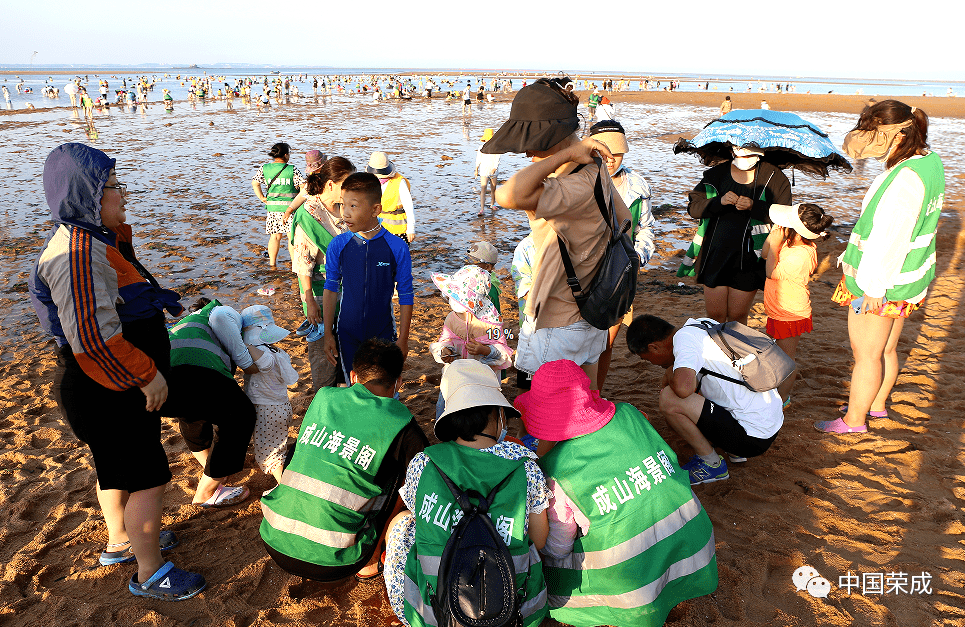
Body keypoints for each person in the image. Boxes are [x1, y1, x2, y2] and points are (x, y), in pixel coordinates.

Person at [29, 143, 205, 600]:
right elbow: (92, 336)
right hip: (107, 385)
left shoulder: (91, 240)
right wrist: (147, 375)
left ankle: (121, 541)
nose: (122, 193)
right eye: (112, 186)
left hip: (99, 385)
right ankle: (150, 572)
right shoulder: (75, 253)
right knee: (149, 475)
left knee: (115, 467)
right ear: (85, 194)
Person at [515, 360, 717, 627]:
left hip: (634, 587)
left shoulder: (556, 472)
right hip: (695, 547)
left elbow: (558, 547)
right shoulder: (630, 414)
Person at [485, 77, 632, 390]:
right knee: (587, 399)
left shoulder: (568, 186)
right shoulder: (594, 169)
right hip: (592, 310)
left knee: (541, 407)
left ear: (554, 136)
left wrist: (565, 155)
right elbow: (625, 219)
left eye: (533, 142)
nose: (527, 153)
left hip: (557, 320)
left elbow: (506, 195)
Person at [383, 359, 550, 627]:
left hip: (441, 609)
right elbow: (540, 541)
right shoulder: (525, 466)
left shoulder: (424, 463)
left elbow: (420, 521)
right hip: (511, 609)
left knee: (402, 525)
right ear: (499, 415)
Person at [815, 100, 945, 435]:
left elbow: (891, 239)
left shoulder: (904, 180)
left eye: (874, 132)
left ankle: (853, 421)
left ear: (896, 135)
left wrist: (873, 289)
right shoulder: (928, 161)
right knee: (886, 348)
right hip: (906, 280)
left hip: (879, 283)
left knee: (867, 355)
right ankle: (874, 404)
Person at [260, 339, 428, 581]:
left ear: (353, 376)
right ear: (398, 382)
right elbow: (425, 474)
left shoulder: (323, 397)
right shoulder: (400, 421)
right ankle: (370, 561)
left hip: (274, 538)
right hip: (336, 560)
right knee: (402, 473)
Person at [628, 314, 784, 484]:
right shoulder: (700, 324)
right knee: (696, 382)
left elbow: (683, 389)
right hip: (768, 424)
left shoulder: (684, 341)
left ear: (654, 347)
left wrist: (669, 372)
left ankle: (711, 464)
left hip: (751, 439)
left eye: (646, 358)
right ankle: (733, 451)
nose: (652, 364)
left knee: (669, 398)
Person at [677, 145, 791, 325]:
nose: (743, 159)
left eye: (749, 155)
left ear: (760, 154)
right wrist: (718, 201)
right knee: (715, 316)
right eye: (739, 153)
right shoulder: (715, 175)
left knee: (737, 318)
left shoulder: (774, 178)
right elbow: (694, 209)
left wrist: (755, 206)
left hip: (750, 259)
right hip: (715, 255)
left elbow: (786, 216)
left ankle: (735, 344)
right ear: (731, 151)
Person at [164, 299, 257, 507]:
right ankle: (206, 491)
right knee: (241, 415)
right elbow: (238, 354)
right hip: (200, 369)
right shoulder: (223, 313)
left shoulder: (187, 322)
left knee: (192, 414)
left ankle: (211, 468)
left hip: (161, 376)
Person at [322, 172, 414, 380]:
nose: (345, 213)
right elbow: (331, 288)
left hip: (383, 334)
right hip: (347, 333)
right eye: (343, 204)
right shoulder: (338, 245)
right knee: (354, 387)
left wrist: (403, 339)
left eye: (353, 206)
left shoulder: (396, 246)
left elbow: (406, 294)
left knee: (382, 388)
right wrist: (328, 333)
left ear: (375, 210)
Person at [587, 119, 656, 391]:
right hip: (583, 276)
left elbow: (646, 228)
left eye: (617, 153)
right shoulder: (576, 180)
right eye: (604, 152)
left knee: (606, 343)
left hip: (620, 278)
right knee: (579, 342)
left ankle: (595, 394)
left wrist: (637, 257)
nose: (611, 159)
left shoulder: (637, 186)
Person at [282, 157, 356, 390]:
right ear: (331, 185)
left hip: (348, 293)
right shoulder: (308, 215)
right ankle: (324, 397)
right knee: (324, 355)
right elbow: (303, 263)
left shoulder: (344, 209)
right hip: (320, 292)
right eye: (346, 184)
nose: (350, 190)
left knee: (347, 353)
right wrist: (310, 301)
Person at [761, 203, 834, 402]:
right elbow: (765, 254)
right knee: (776, 354)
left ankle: (783, 398)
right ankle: (775, 391)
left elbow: (770, 271)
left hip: (790, 313)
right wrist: (774, 237)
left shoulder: (800, 255)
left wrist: (775, 245)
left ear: (797, 231)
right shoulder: (791, 243)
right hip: (779, 310)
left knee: (785, 359)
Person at [241, 306, 299, 485]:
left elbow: (265, 364)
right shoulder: (279, 351)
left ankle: (286, 487)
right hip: (282, 407)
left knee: (270, 455)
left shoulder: (258, 351)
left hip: (267, 411)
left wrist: (246, 345)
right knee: (278, 446)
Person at [429, 265, 513, 372]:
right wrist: (445, 350)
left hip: (483, 374)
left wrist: (485, 350)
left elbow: (502, 349)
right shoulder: (451, 318)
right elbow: (445, 340)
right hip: (457, 372)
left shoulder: (491, 322)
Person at [251, 142, 305, 267]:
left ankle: (272, 264)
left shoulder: (265, 168)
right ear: (285, 155)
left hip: (273, 208)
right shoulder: (292, 169)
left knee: (275, 237)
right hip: (290, 209)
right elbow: (303, 186)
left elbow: (255, 183)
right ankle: (294, 264)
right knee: (291, 237)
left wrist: (262, 198)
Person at [367, 151, 416, 244]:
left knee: (397, 252)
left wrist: (411, 229)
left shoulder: (400, 183)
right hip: (378, 228)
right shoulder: (370, 183)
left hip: (398, 230)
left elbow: (409, 207)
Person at [465, 240, 502, 313]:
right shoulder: (467, 278)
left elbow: (496, 312)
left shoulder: (489, 288)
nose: (467, 266)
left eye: (471, 263)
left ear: (487, 267)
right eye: (466, 262)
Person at [474, 128, 501, 216]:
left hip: (493, 171)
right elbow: (478, 159)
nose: (487, 140)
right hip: (484, 170)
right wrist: (476, 169)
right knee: (483, 188)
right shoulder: (481, 147)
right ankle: (482, 209)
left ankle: (492, 204)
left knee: (493, 189)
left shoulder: (496, 147)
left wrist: (495, 167)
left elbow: (497, 158)